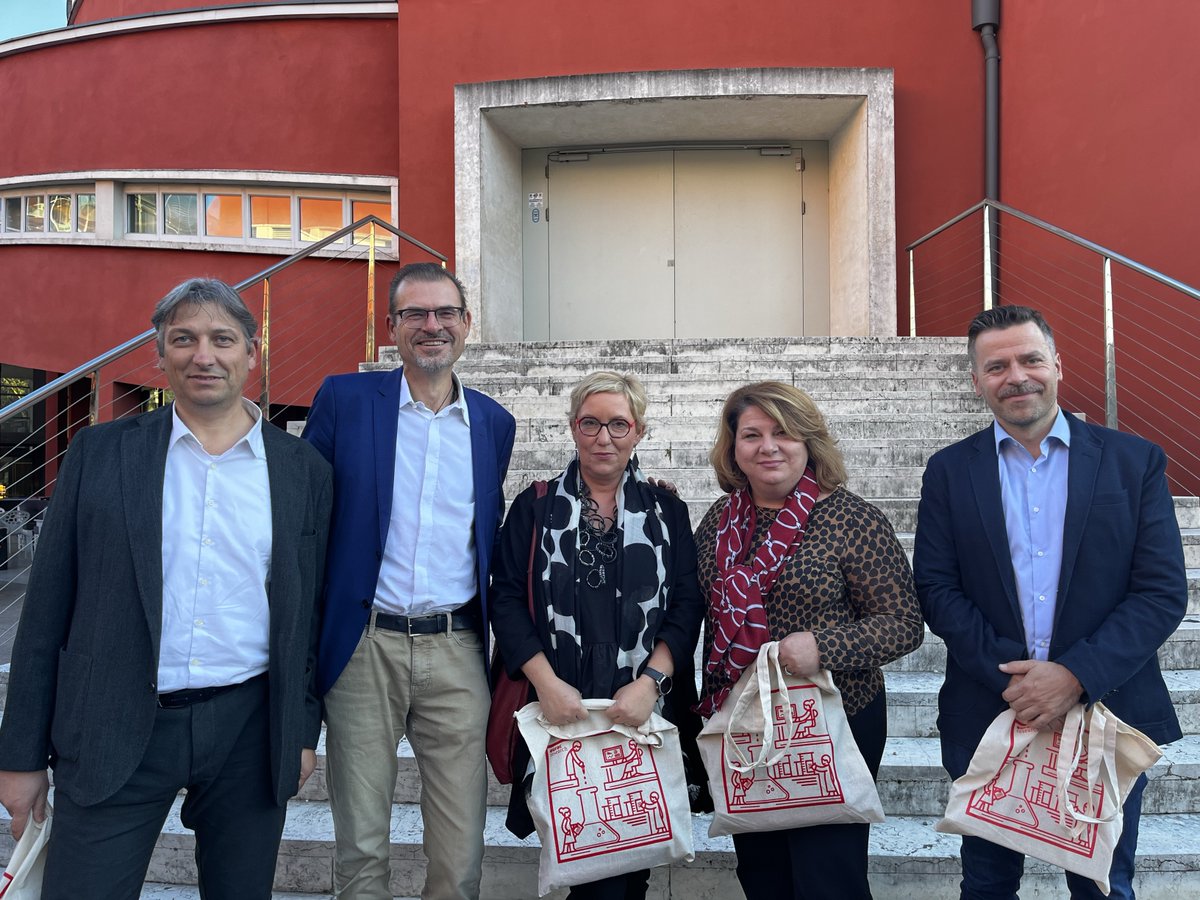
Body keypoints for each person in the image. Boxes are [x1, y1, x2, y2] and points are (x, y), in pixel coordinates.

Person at [0, 277, 332, 899]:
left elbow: (306, 616)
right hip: (112, 720)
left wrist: (300, 732)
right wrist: (19, 757)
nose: (203, 355)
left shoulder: (303, 470)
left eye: (222, 339)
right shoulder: (100, 454)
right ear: (159, 354)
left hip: (249, 729)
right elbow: (45, 610)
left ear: (252, 354)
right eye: (184, 339)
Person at [914, 304, 1188, 900]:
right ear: (977, 381)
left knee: (1102, 886)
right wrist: (1015, 679)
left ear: (1058, 365)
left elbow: (1161, 591)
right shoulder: (949, 471)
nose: (1016, 376)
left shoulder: (1133, 461)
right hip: (989, 709)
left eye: (1030, 359)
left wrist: (1074, 676)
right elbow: (936, 588)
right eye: (997, 366)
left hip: (1106, 708)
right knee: (987, 883)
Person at [303, 262, 515, 900]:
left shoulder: (494, 423)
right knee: (361, 844)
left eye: (445, 312)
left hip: (457, 649)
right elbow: (305, 518)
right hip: (364, 646)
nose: (432, 325)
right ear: (391, 327)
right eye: (415, 313)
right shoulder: (344, 401)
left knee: (460, 850)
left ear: (466, 324)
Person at [695, 380, 923, 900]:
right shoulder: (718, 523)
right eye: (752, 434)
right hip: (746, 720)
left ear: (808, 441)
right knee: (762, 873)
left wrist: (823, 646)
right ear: (733, 447)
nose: (768, 447)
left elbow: (903, 623)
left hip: (834, 719)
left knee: (828, 877)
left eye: (783, 432)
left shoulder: (851, 519)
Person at [489, 370, 703, 900]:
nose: (604, 437)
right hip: (562, 702)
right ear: (572, 428)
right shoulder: (534, 507)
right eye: (590, 423)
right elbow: (506, 600)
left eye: (618, 424)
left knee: (635, 857)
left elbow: (686, 604)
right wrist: (546, 685)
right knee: (583, 855)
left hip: (641, 703)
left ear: (639, 431)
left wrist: (651, 684)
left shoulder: (668, 511)